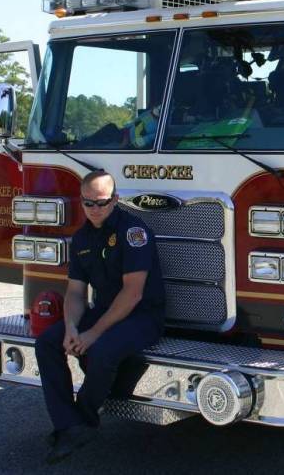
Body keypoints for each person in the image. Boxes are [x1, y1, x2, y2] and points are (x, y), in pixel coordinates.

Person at [35, 169, 165, 465]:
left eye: (102, 202)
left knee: (102, 350)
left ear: (116, 199)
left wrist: (92, 333)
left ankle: (84, 419)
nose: (95, 209)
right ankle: (68, 424)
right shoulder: (81, 238)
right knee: (47, 342)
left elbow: (132, 293)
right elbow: (76, 293)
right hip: (104, 312)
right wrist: (70, 327)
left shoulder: (133, 233)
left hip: (142, 317)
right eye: (88, 203)